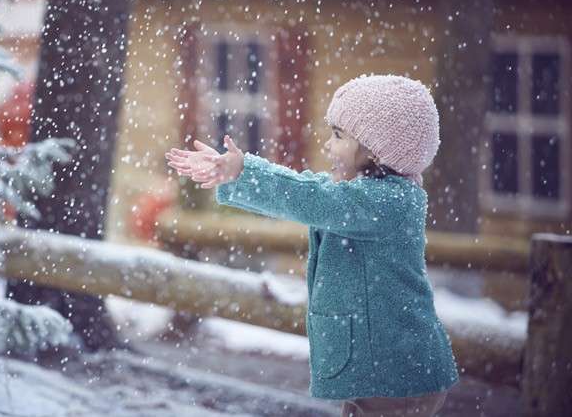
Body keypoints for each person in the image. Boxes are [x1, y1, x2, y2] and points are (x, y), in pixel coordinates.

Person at [165, 75, 459, 416]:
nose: (327, 146)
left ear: (376, 148)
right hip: (381, 368)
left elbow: (312, 198)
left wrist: (244, 172)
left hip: (397, 371)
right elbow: (311, 188)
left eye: (338, 136)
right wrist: (238, 175)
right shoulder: (364, 195)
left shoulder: (388, 201)